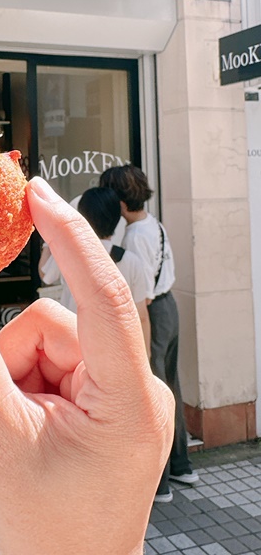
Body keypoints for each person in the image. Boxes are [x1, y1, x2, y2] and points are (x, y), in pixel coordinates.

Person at [0, 177, 174, 555]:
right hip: (79, 365)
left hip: (68, 357)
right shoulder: (130, 259)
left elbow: (46, 276)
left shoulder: (70, 259)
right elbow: (141, 312)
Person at [99, 164, 198, 502]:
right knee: (170, 386)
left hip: (152, 313)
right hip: (168, 309)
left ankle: (161, 483)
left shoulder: (134, 237)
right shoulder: (151, 223)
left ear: (119, 201)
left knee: (152, 395)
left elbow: (140, 290)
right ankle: (181, 465)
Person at [77, 187, 151, 356]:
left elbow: (45, 273)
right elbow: (142, 316)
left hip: (78, 344)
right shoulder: (132, 261)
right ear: (117, 217)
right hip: (120, 349)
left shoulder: (70, 253)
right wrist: (145, 357)